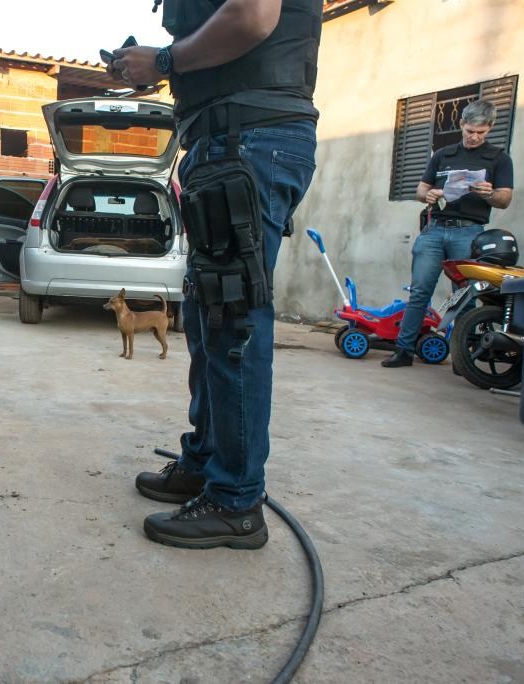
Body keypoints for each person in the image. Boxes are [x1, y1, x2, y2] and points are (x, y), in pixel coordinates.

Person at [110, 0, 320, 549]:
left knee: (233, 320)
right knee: (208, 318)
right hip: (230, 136)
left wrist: (164, 61)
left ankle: (235, 501)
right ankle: (207, 463)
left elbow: (252, 15)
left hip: (250, 136)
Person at [381, 99, 514, 368]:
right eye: (470, 131)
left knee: (464, 297)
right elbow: (420, 190)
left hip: (469, 232)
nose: (474, 137)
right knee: (419, 292)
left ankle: (461, 359)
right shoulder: (443, 155)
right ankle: (404, 351)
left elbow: (505, 199)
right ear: (462, 124)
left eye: (481, 132)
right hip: (435, 230)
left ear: (489, 128)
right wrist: (427, 194)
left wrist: (490, 193)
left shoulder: (499, 158)